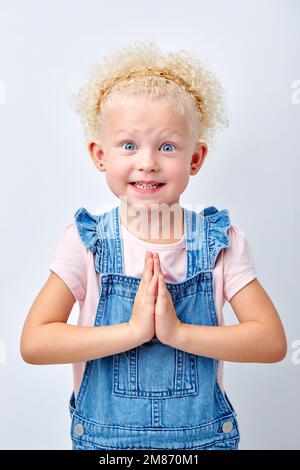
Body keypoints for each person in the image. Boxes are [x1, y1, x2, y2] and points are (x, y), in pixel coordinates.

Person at [20, 40, 287, 450]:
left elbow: (270, 342)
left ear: (195, 159)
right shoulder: (86, 242)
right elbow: (35, 343)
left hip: (202, 445)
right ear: (100, 154)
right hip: (105, 446)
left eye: (167, 146)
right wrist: (132, 331)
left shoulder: (219, 243)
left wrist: (178, 333)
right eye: (129, 145)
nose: (147, 161)